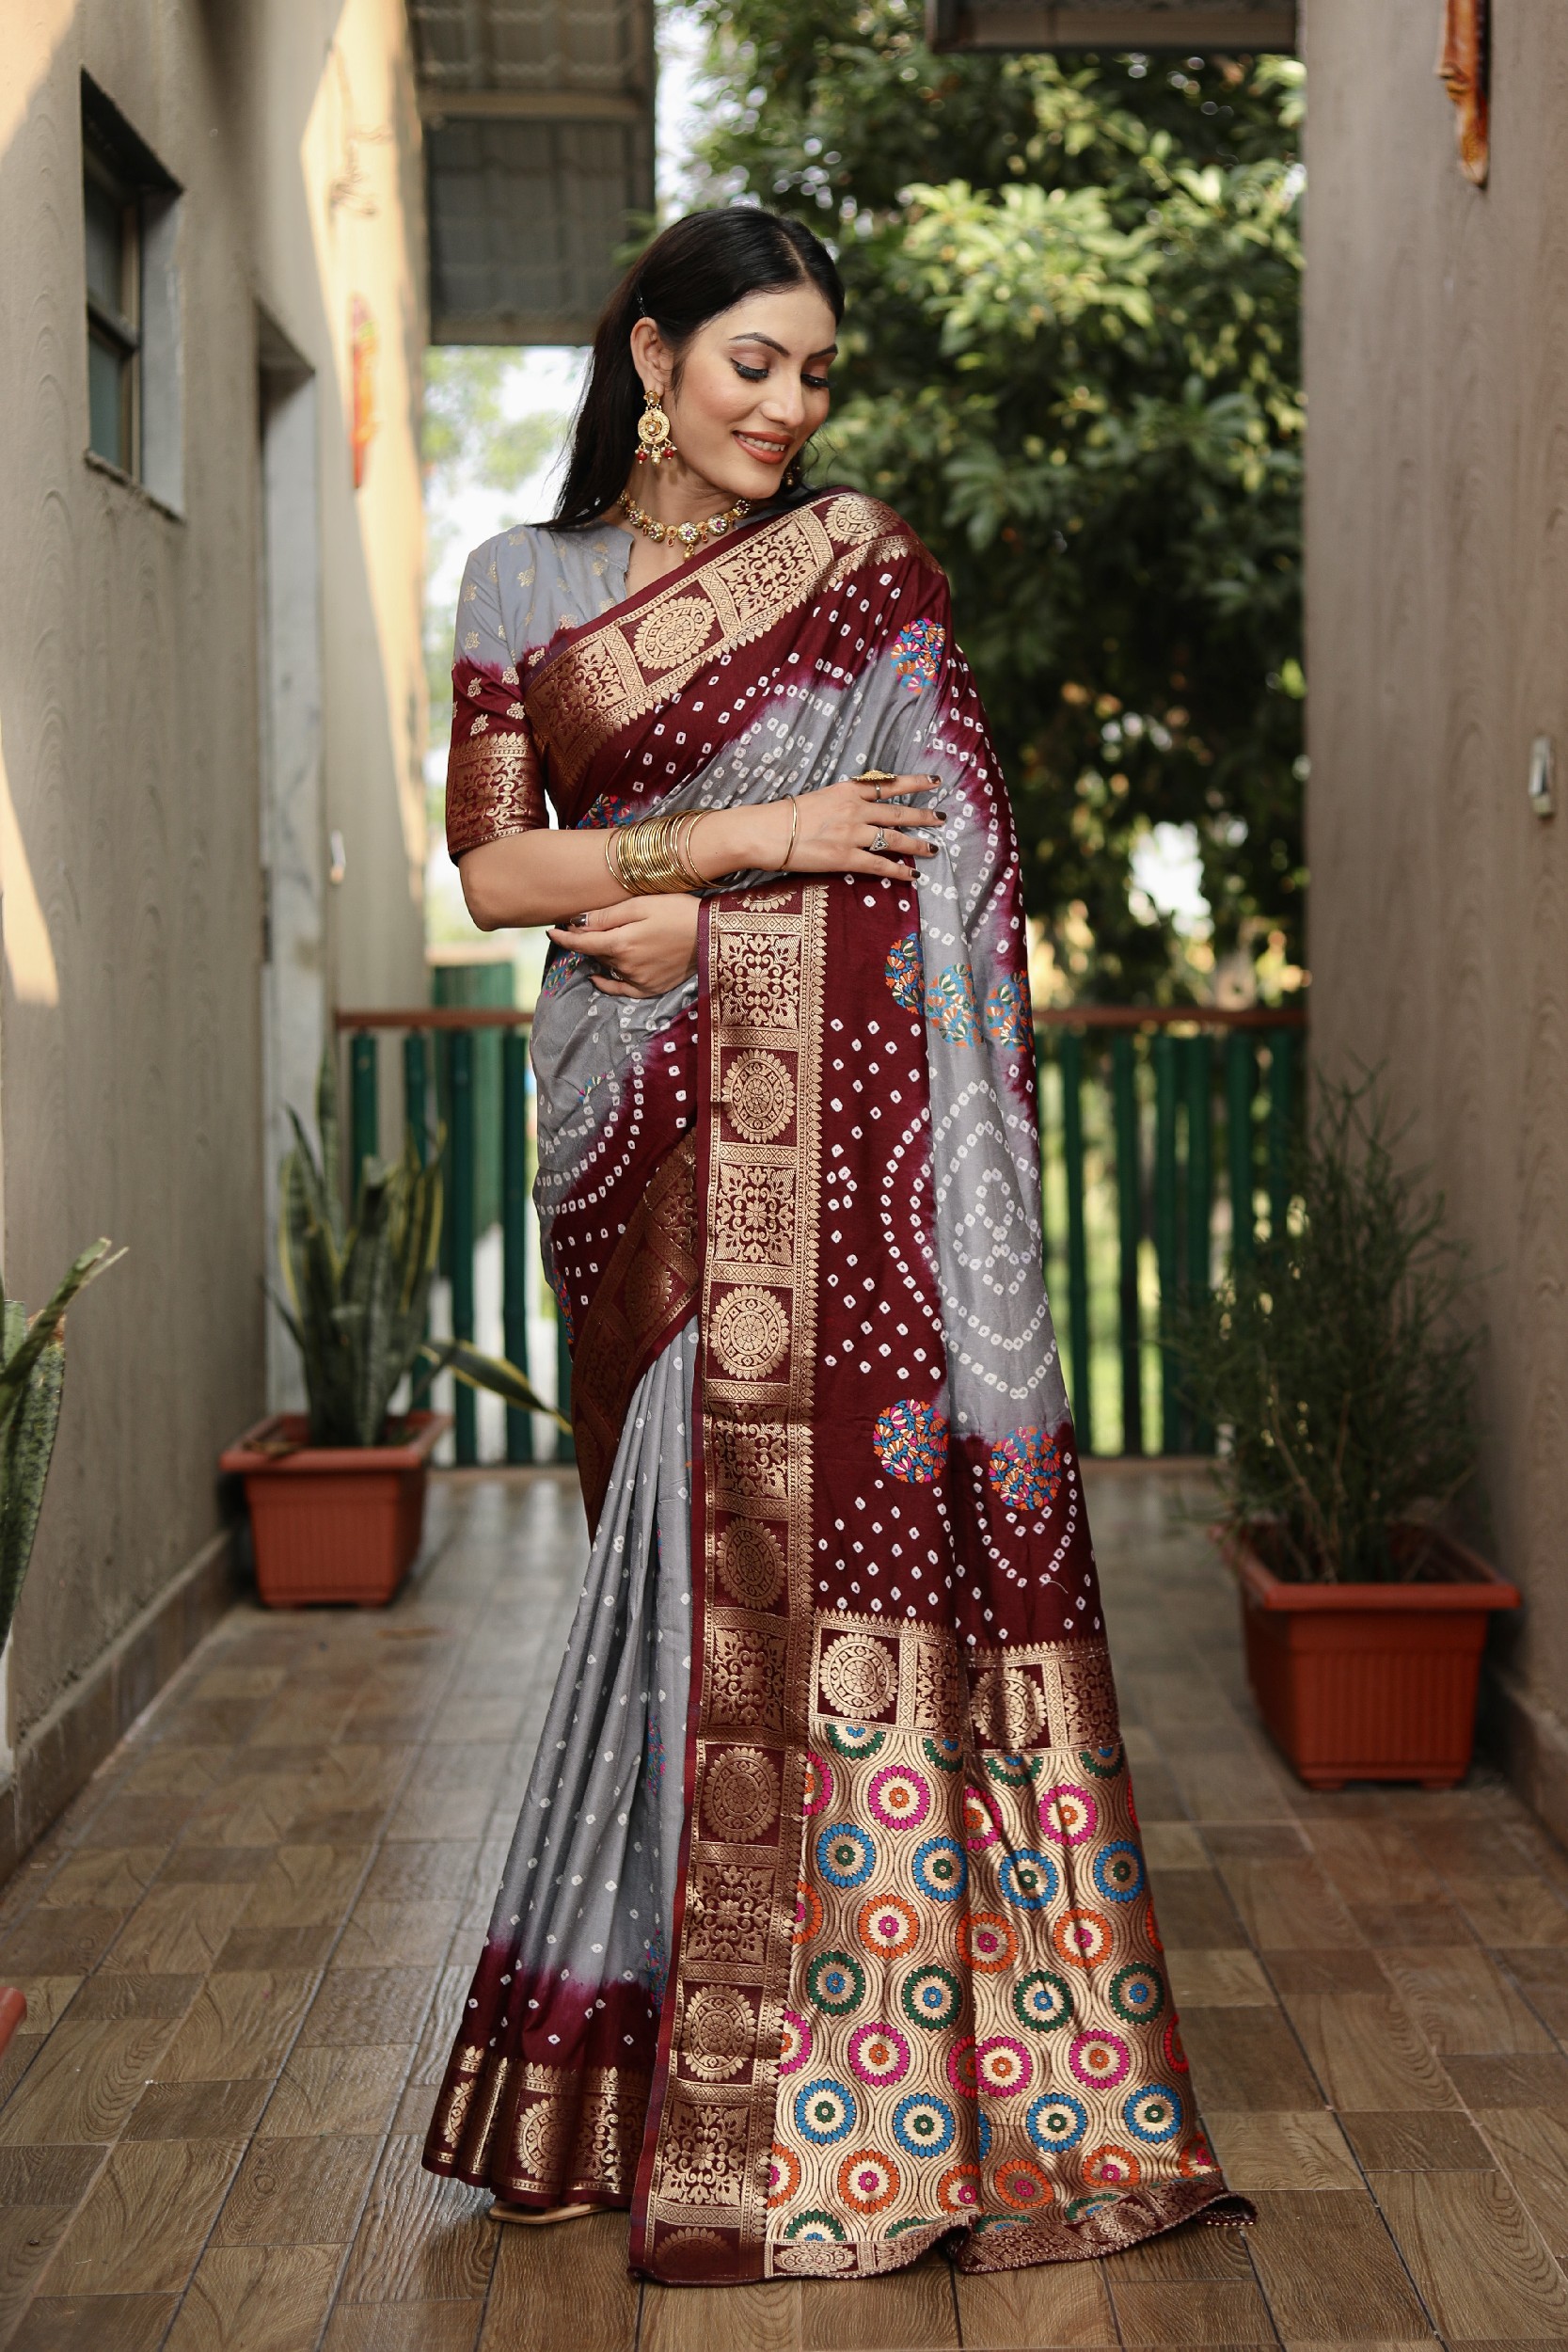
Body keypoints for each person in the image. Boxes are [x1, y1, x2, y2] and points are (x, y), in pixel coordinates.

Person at [421, 206, 1250, 2284]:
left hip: (798, 1140)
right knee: (661, 1579)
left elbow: (950, 873)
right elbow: (497, 867)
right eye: (752, 362)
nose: (788, 407)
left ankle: (786, 2080)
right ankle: (631, 2062)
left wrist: (724, 931)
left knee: (734, 1570)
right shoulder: (519, 581)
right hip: (617, 1125)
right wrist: (749, 837)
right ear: (652, 355)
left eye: (812, 375)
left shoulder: (864, 577)